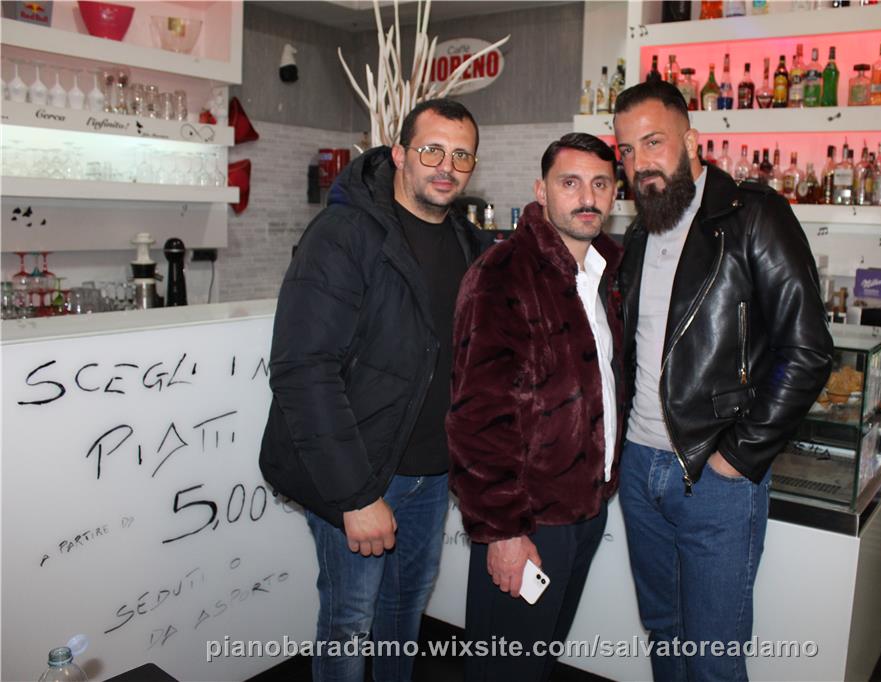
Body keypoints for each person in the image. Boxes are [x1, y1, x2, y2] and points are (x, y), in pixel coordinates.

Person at [611, 80, 833, 681]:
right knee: (664, 636)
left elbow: (809, 350)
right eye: (626, 150)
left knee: (713, 657)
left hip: (714, 476)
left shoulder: (753, 215)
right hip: (640, 469)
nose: (639, 163)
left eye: (653, 142)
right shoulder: (638, 233)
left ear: (692, 141)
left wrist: (737, 457)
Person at [259, 99, 485, 682]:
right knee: (350, 624)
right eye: (432, 150)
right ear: (401, 153)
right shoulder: (344, 234)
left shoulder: (469, 244)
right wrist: (355, 496)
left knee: (403, 617)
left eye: (461, 155)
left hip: (431, 477)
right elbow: (303, 368)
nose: (447, 166)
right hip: (360, 474)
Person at [446, 133, 624, 682]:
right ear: (541, 191)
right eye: (570, 183)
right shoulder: (503, 274)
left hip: (585, 507)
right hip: (527, 518)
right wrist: (502, 531)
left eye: (600, 184)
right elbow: (478, 418)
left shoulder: (604, 274)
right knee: (505, 672)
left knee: (537, 663)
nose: (587, 197)